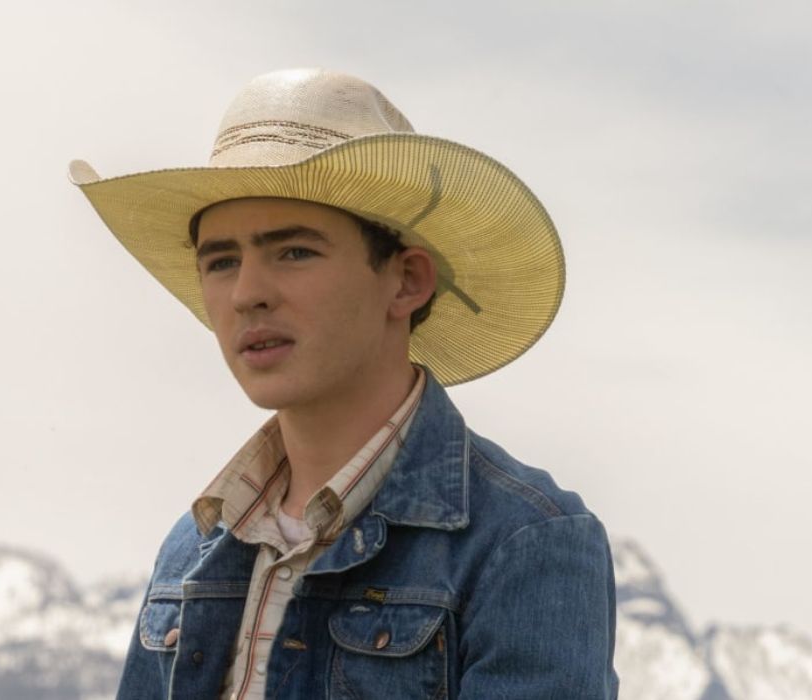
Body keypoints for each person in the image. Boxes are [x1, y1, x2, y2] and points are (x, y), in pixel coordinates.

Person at [69, 68, 618, 699]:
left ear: (407, 281)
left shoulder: (523, 540)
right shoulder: (195, 547)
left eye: (294, 252)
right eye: (221, 262)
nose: (247, 294)